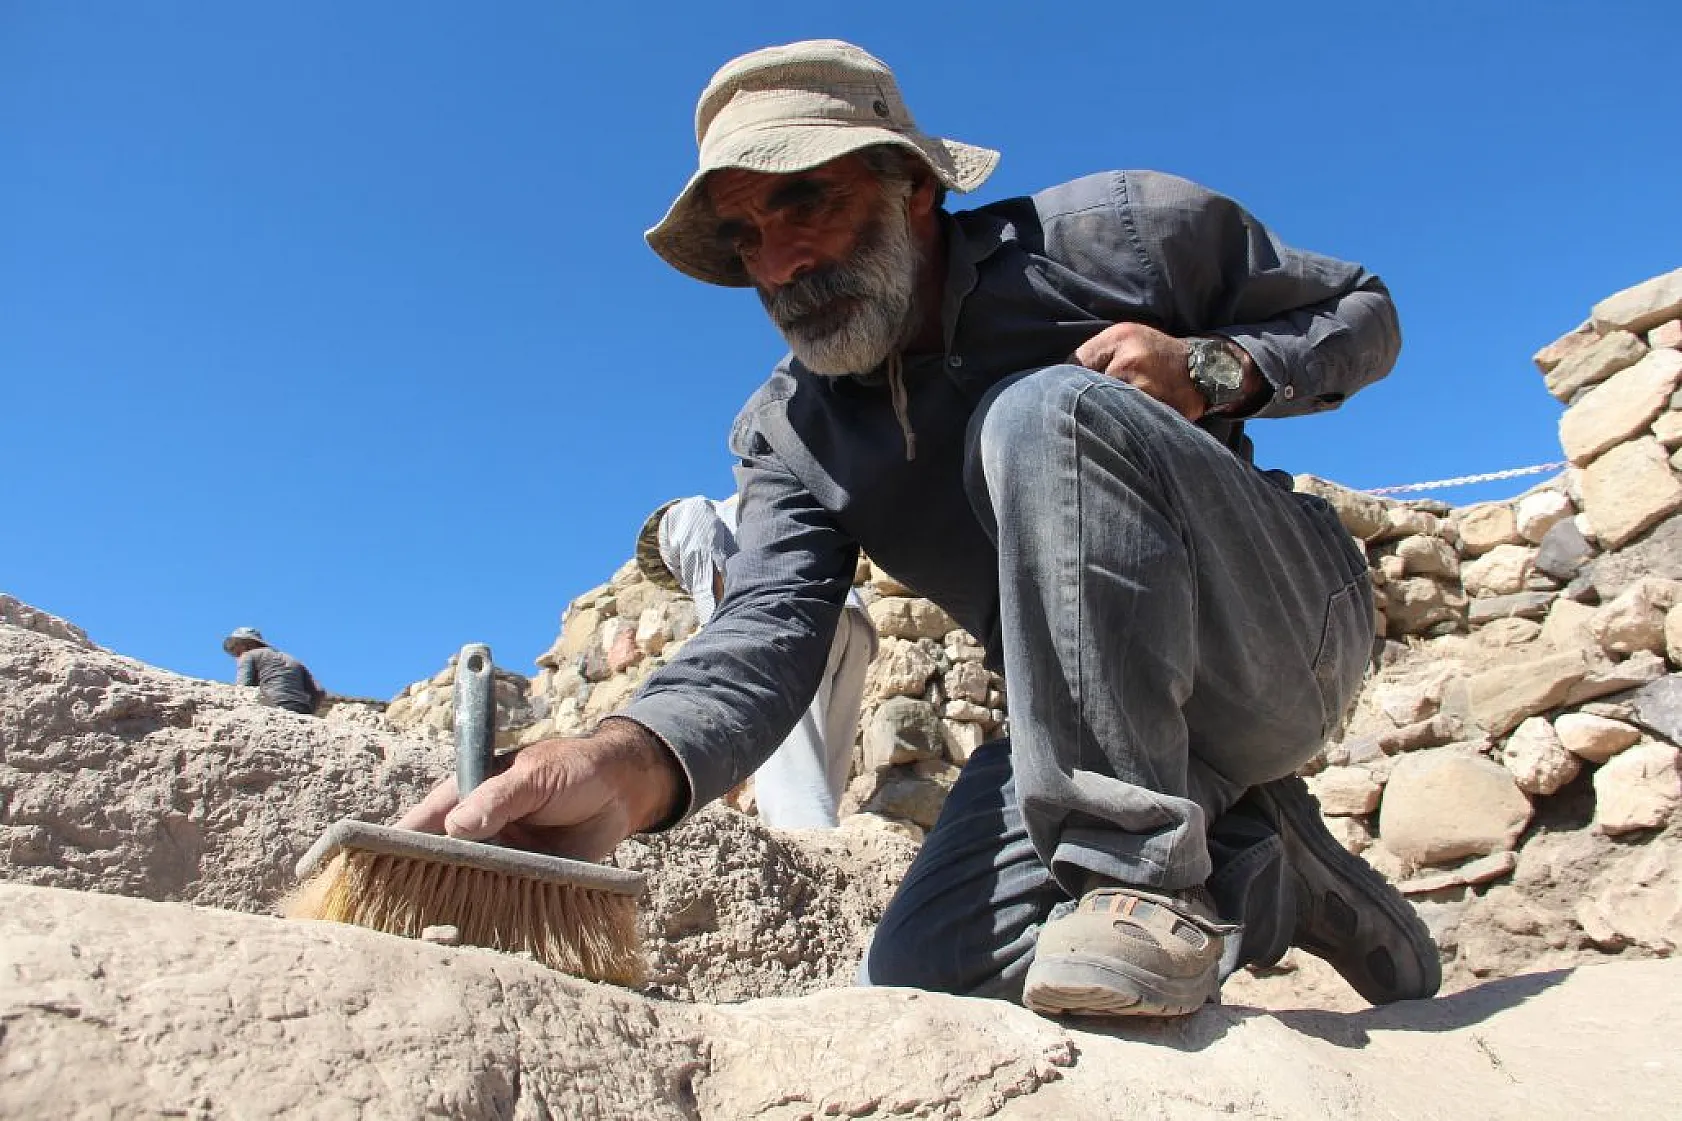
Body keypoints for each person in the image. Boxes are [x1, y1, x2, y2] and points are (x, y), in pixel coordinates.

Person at [400, 39, 1439, 1018]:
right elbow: (766, 630)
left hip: (1279, 640)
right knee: (919, 974)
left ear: (915, 188)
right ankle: (1266, 865)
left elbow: (1360, 311)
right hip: (1090, 725)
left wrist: (1212, 369)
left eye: (805, 202)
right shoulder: (790, 434)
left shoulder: (1113, 236)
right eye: (745, 238)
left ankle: (1137, 882)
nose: (779, 266)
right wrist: (620, 764)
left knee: (1042, 413)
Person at [634, 494, 878, 829]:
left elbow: (706, 570)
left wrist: (726, 657)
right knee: (820, 780)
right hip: (846, 617)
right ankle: (828, 853)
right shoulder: (753, 511)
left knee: (791, 785)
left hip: (784, 619)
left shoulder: (678, 519)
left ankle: (806, 853)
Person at [223, 627, 323, 715]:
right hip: (303, 709)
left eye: (235, 648)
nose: (235, 655)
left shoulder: (248, 655)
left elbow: (242, 688)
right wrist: (309, 712)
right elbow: (319, 691)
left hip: (274, 706)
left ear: (248, 643)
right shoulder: (292, 659)